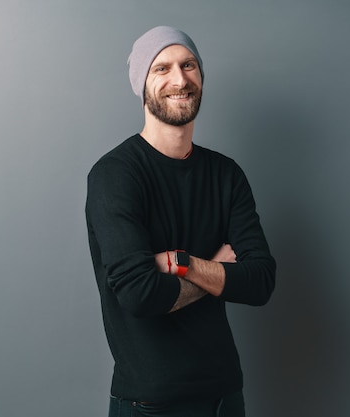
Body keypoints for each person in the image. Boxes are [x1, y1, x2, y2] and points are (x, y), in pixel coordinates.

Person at [85, 26, 276, 417]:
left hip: (225, 397)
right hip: (149, 403)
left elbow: (259, 282)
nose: (180, 79)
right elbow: (139, 293)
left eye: (189, 65)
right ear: (142, 85)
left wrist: (178, 262)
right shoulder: (114, 175)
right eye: (162, 68)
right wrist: (218, 271)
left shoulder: (226, 175)